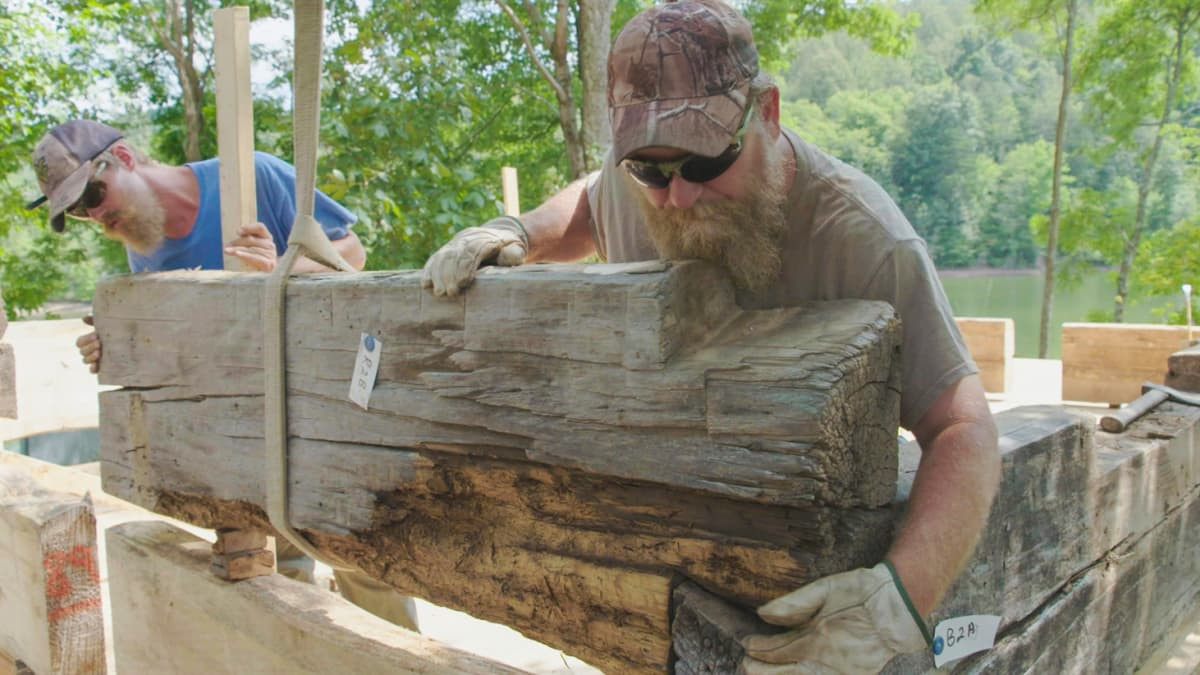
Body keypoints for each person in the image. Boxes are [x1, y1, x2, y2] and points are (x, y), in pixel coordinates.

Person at [422, 0, 1001, 671]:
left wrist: (897, 601)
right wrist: (521, 230)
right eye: (650, 169)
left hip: (799, 584)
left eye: (703, 163)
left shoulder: (868, 241)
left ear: (769, 114)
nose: (677, 198)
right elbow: (591, 199)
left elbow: (965, 428)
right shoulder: (643, 186)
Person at [28, 119, 419, 633]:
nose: (96, 216)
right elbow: (179, 350)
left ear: (122, 158)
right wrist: (117, 345)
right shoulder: (143, 247)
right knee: (284, 587)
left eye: (93, 194)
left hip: (327, 416)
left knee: (365, 567)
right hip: (247, 443)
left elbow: (354, 255)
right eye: (79, 212)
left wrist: (284, 267)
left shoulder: (252, 177)